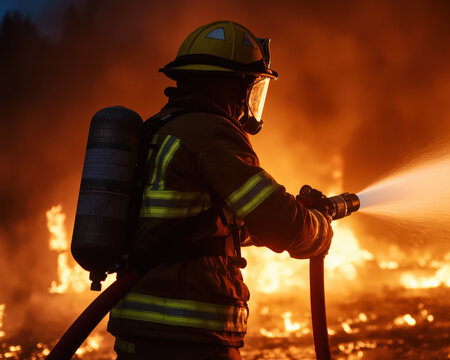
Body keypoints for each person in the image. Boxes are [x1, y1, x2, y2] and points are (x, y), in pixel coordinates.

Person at [107, 20, 334, 360]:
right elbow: (278, 222)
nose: (249, 103)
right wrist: (317, 228)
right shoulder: (212, 133)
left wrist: (298, 209)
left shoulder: (160, 131)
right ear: (236, 87)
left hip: (140, 329)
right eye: (251, 87)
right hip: (189, 333)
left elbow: (200, 228)